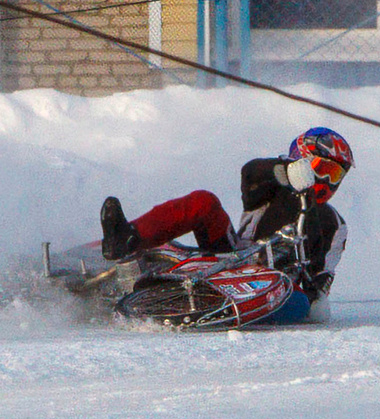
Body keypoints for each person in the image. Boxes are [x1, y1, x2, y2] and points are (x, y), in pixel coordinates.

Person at [98, 127, 354, 306]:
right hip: (231, 256)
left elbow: (321, 281)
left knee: (298, 296)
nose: (327, 182)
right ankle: (126, 238)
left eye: (335, 176)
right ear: (302, 160)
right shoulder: (273, 186)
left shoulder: (334, 224)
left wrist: (304, 294)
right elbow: (251, 174)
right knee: (204, 201)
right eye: (324, 170)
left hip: (272, 282)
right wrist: (287, 173)